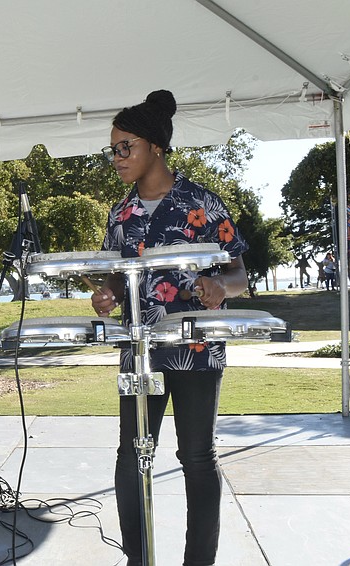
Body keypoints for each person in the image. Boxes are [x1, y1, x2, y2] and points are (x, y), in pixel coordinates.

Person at [91, 90, 248, 566]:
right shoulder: (120, 216)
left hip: (197, 350)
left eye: (125, 147)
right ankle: (139, 559)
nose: (116, 158)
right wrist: (107, 296)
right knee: (130, 458)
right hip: (138, 352)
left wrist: (221, 288)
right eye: (112, 149)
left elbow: (240, 274)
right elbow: (115, 280)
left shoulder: (202, 203)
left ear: (155, 147)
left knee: (197, 458)